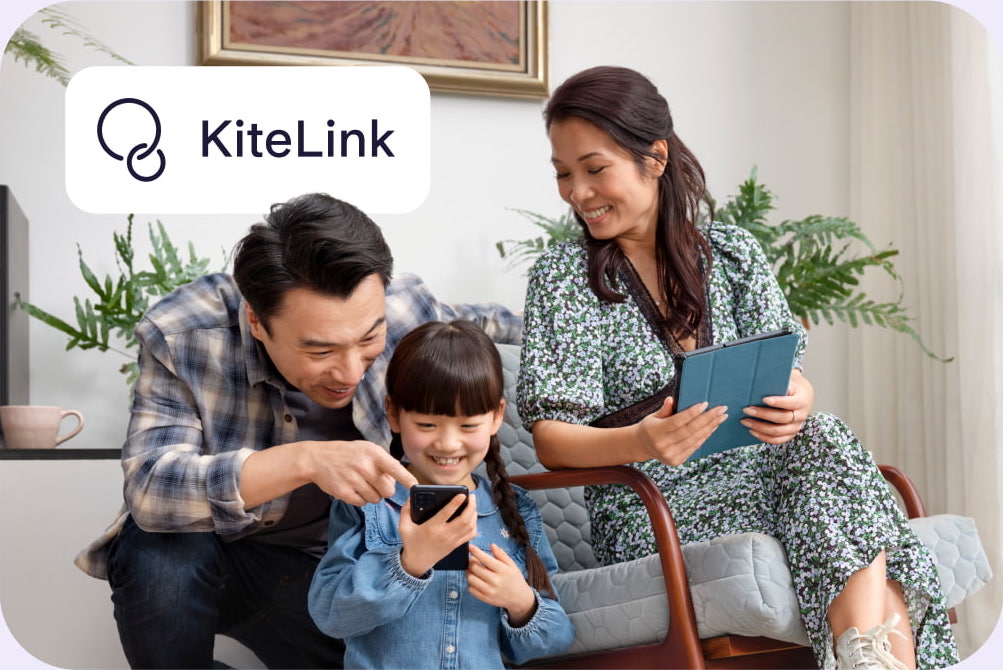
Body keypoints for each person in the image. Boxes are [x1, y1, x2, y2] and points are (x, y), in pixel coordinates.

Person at [516, 66, 958, 670]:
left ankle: (866, 656)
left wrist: (797, 398)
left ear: (656, 158)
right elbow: (549, 440)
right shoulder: (565, 278)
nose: (577, 192)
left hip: (762, 476)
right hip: (648, 504)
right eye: (565, 174)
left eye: (595, 169)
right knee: (866, 502)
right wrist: (642, 439)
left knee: (822, 431)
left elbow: (791, 375)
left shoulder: (733, 253)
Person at [73, 193, 523, 669]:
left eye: (369, 338)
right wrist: (307, 460)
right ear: (257, 321)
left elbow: (506, 327)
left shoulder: (407, 308)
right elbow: (150, 487)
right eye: (319, 351)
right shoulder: (187, 333)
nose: (350, 371)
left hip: (332, 576)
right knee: (159, 555)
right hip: (222, 558)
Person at [308, 320, 575, 668]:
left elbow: (556, 640)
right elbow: (330, 614)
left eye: (468, 426)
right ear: (393, 413)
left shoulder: (516, 511)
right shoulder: (368, 501)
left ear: (496, 417)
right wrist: (409, 564)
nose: (448, 443)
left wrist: (521, 601)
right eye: (427, 425)